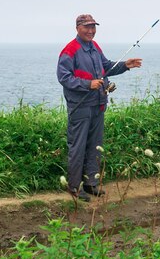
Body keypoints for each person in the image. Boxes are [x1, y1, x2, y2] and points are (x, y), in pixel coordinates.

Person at [57, 14, 142, 201]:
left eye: (93, 27)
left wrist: (125, 66)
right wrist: (88, 84)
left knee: (95, 145)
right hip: (80, 107)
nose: (91, 31)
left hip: (98, 104)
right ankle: (74, 187)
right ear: (78, 28)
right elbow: (64, 77)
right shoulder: (69, 51)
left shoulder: (94, 47)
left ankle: (91, 184)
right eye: (87, 27)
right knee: (78, 146)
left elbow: (106, 67)